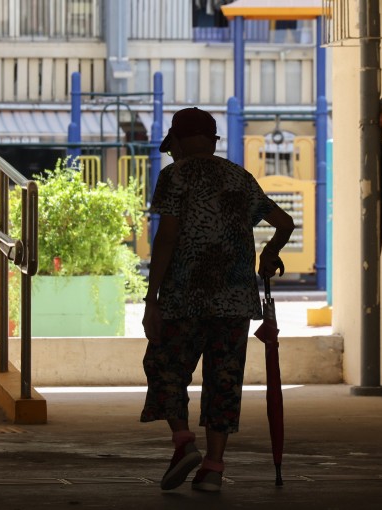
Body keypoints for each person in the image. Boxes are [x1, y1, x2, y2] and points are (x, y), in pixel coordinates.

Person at [140, 107, 295, 492]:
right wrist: (270, 253)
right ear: (212, 142)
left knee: (164, 364)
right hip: (235, 300)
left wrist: (151, 297)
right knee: (224, 380)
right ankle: (213, 468)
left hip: (184, 298)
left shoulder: (174, 176)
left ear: (176, 142)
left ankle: (183, 443)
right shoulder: (239, 178)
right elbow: (284, 222)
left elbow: (168, 237)